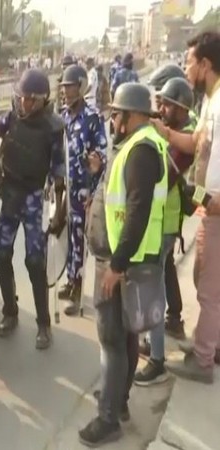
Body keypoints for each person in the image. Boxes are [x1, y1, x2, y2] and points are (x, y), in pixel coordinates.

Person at [81, 82, 168, 447]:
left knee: (112, 341)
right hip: (123, 259)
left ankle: (109, 417)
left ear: (131, 115)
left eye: (116, 114)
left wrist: (116, 266)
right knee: (126, 336)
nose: (112, 120)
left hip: (120, 263)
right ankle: (120, 402)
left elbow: (136, 212)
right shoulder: (140, 145)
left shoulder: (142, 150)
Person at [152, 31, 220, 384]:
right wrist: (162, 131)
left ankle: (204, 360)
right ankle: (211, 342)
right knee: (202, 280)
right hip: (208, 208)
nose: (186, 67)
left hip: (217, 209)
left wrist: (208, 199)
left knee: (209, 290)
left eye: (190, 61)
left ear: (205, 64)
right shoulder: (209, 101)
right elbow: (194, 142)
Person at [0, 69, 66, 348]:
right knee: (1, 254)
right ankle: (10, 312)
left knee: (35, 262)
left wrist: (59, 212)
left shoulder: (53, 128)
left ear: (42, 100)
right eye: (20, 98)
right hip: (10, 193)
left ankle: (43, 324)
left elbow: (59, 174)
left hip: (35, 198)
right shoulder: (10, 118)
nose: (23, 104)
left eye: (29, 100)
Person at [133, 77, 195, 386]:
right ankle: (153, 343)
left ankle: (157, 361)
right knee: (153, 288)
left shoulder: (184, 141)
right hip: (160, 223)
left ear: (182, 109)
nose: (161, 109)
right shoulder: (177, 134)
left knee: (153, 292)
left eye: (167, 105)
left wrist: (156, 136)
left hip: (165, 225)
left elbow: (165, 174)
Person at [59, 64, 108, 316]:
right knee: (68, 239)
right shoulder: (64, 116)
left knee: (79, 240)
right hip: (66, 189)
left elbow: (102, 153)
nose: (65, 92)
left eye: (69, 87)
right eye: (63, 88)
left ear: (81, 86)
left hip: (84, 191)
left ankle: (77, 294)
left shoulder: (92, 117)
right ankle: (69, 281)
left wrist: (94, 169)